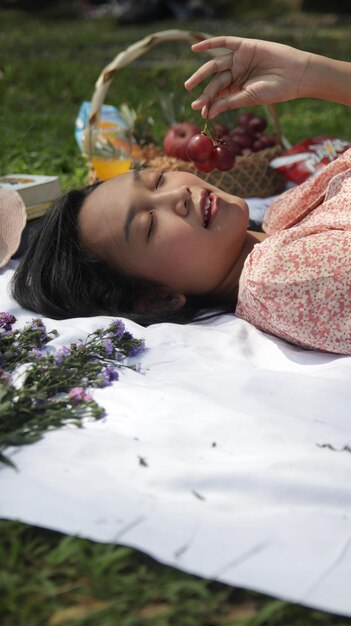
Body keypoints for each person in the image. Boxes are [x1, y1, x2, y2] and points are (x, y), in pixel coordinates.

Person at [12, 37, 351, 354]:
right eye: (149, 224)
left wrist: (310, 73)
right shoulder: (280, 279)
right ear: (157, 298)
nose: (179, 196)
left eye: (157, 181)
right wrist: (320, 76)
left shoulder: (281, 216)